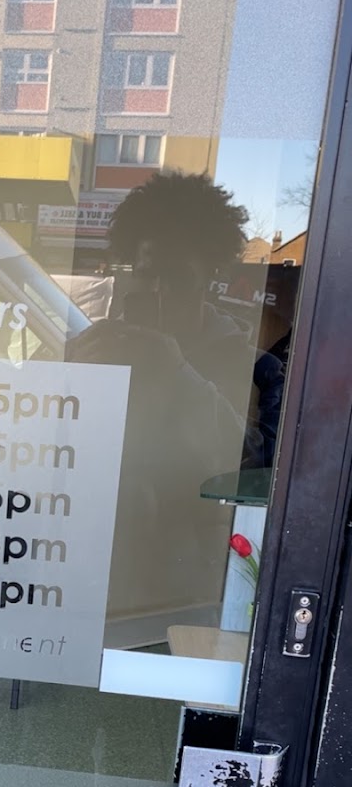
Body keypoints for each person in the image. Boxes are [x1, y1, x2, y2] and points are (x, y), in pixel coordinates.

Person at [66, 172, 283, 627]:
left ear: (210, 278)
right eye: (148, 275)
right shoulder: (99, 350)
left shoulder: (259, 370)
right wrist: (65, 376)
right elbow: (36, 448)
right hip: (94, 580)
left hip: (195, 592)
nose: (160, 292)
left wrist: (178, 373)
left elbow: (262, 470)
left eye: (179, 279)